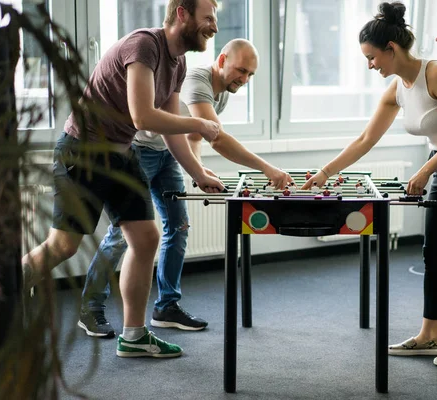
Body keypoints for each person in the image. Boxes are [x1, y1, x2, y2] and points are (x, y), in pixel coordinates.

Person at [302, 1, 437, 367]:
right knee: (434, 253)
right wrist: (326, 172)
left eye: (372, 57)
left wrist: (425, 172)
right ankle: (429, 335)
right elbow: (365, 139)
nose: (370, 65)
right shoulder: (397, 88)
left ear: (391, 49)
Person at [22, 0, 226, 359]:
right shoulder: (144, 45)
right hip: (82, 152)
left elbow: (168, 129)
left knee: (146, 238)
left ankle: (134, 336)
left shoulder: (177, 63)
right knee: (64, 246)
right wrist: (200, 123)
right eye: (208, 17)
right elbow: (143, 115)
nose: (214, 26)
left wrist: (197, 172)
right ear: (182, 13)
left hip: (120, 153)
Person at [77, 38, 292, 338]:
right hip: (138, 151)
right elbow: (218, 138)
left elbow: (194, 135)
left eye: (250, 75)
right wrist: (267, 168)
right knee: (123, 235)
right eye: (240, 71)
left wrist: (198, 170)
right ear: (221, 60)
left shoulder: (223, 91)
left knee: (178, 226)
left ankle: (166, 307)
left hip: (167, 154)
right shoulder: (197, 80)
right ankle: (90, 308)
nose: (243, 80)